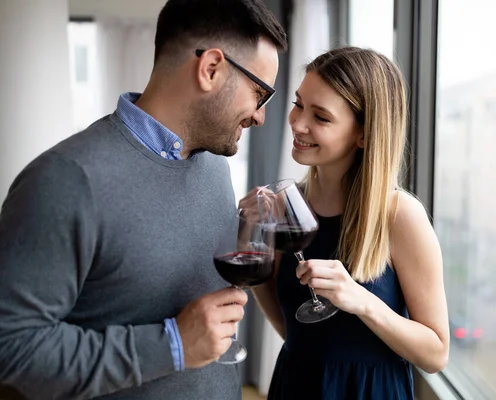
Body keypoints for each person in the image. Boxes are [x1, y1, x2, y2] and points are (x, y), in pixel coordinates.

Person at [0, 1, 287, 399]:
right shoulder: (65, 180)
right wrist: (171, 345)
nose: (260, 116)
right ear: (211, 69)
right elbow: (13, 350)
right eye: (260, 93)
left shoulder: (213, 165)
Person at [241, 47, 449, 399]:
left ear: (364, 135)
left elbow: (436, 353)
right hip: (296, 385)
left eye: (320, 117)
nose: (297, 123)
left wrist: (360, 300)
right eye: (298, 104)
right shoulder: (291, 205)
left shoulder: (400, 216)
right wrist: (251, 244)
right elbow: (291, 327)